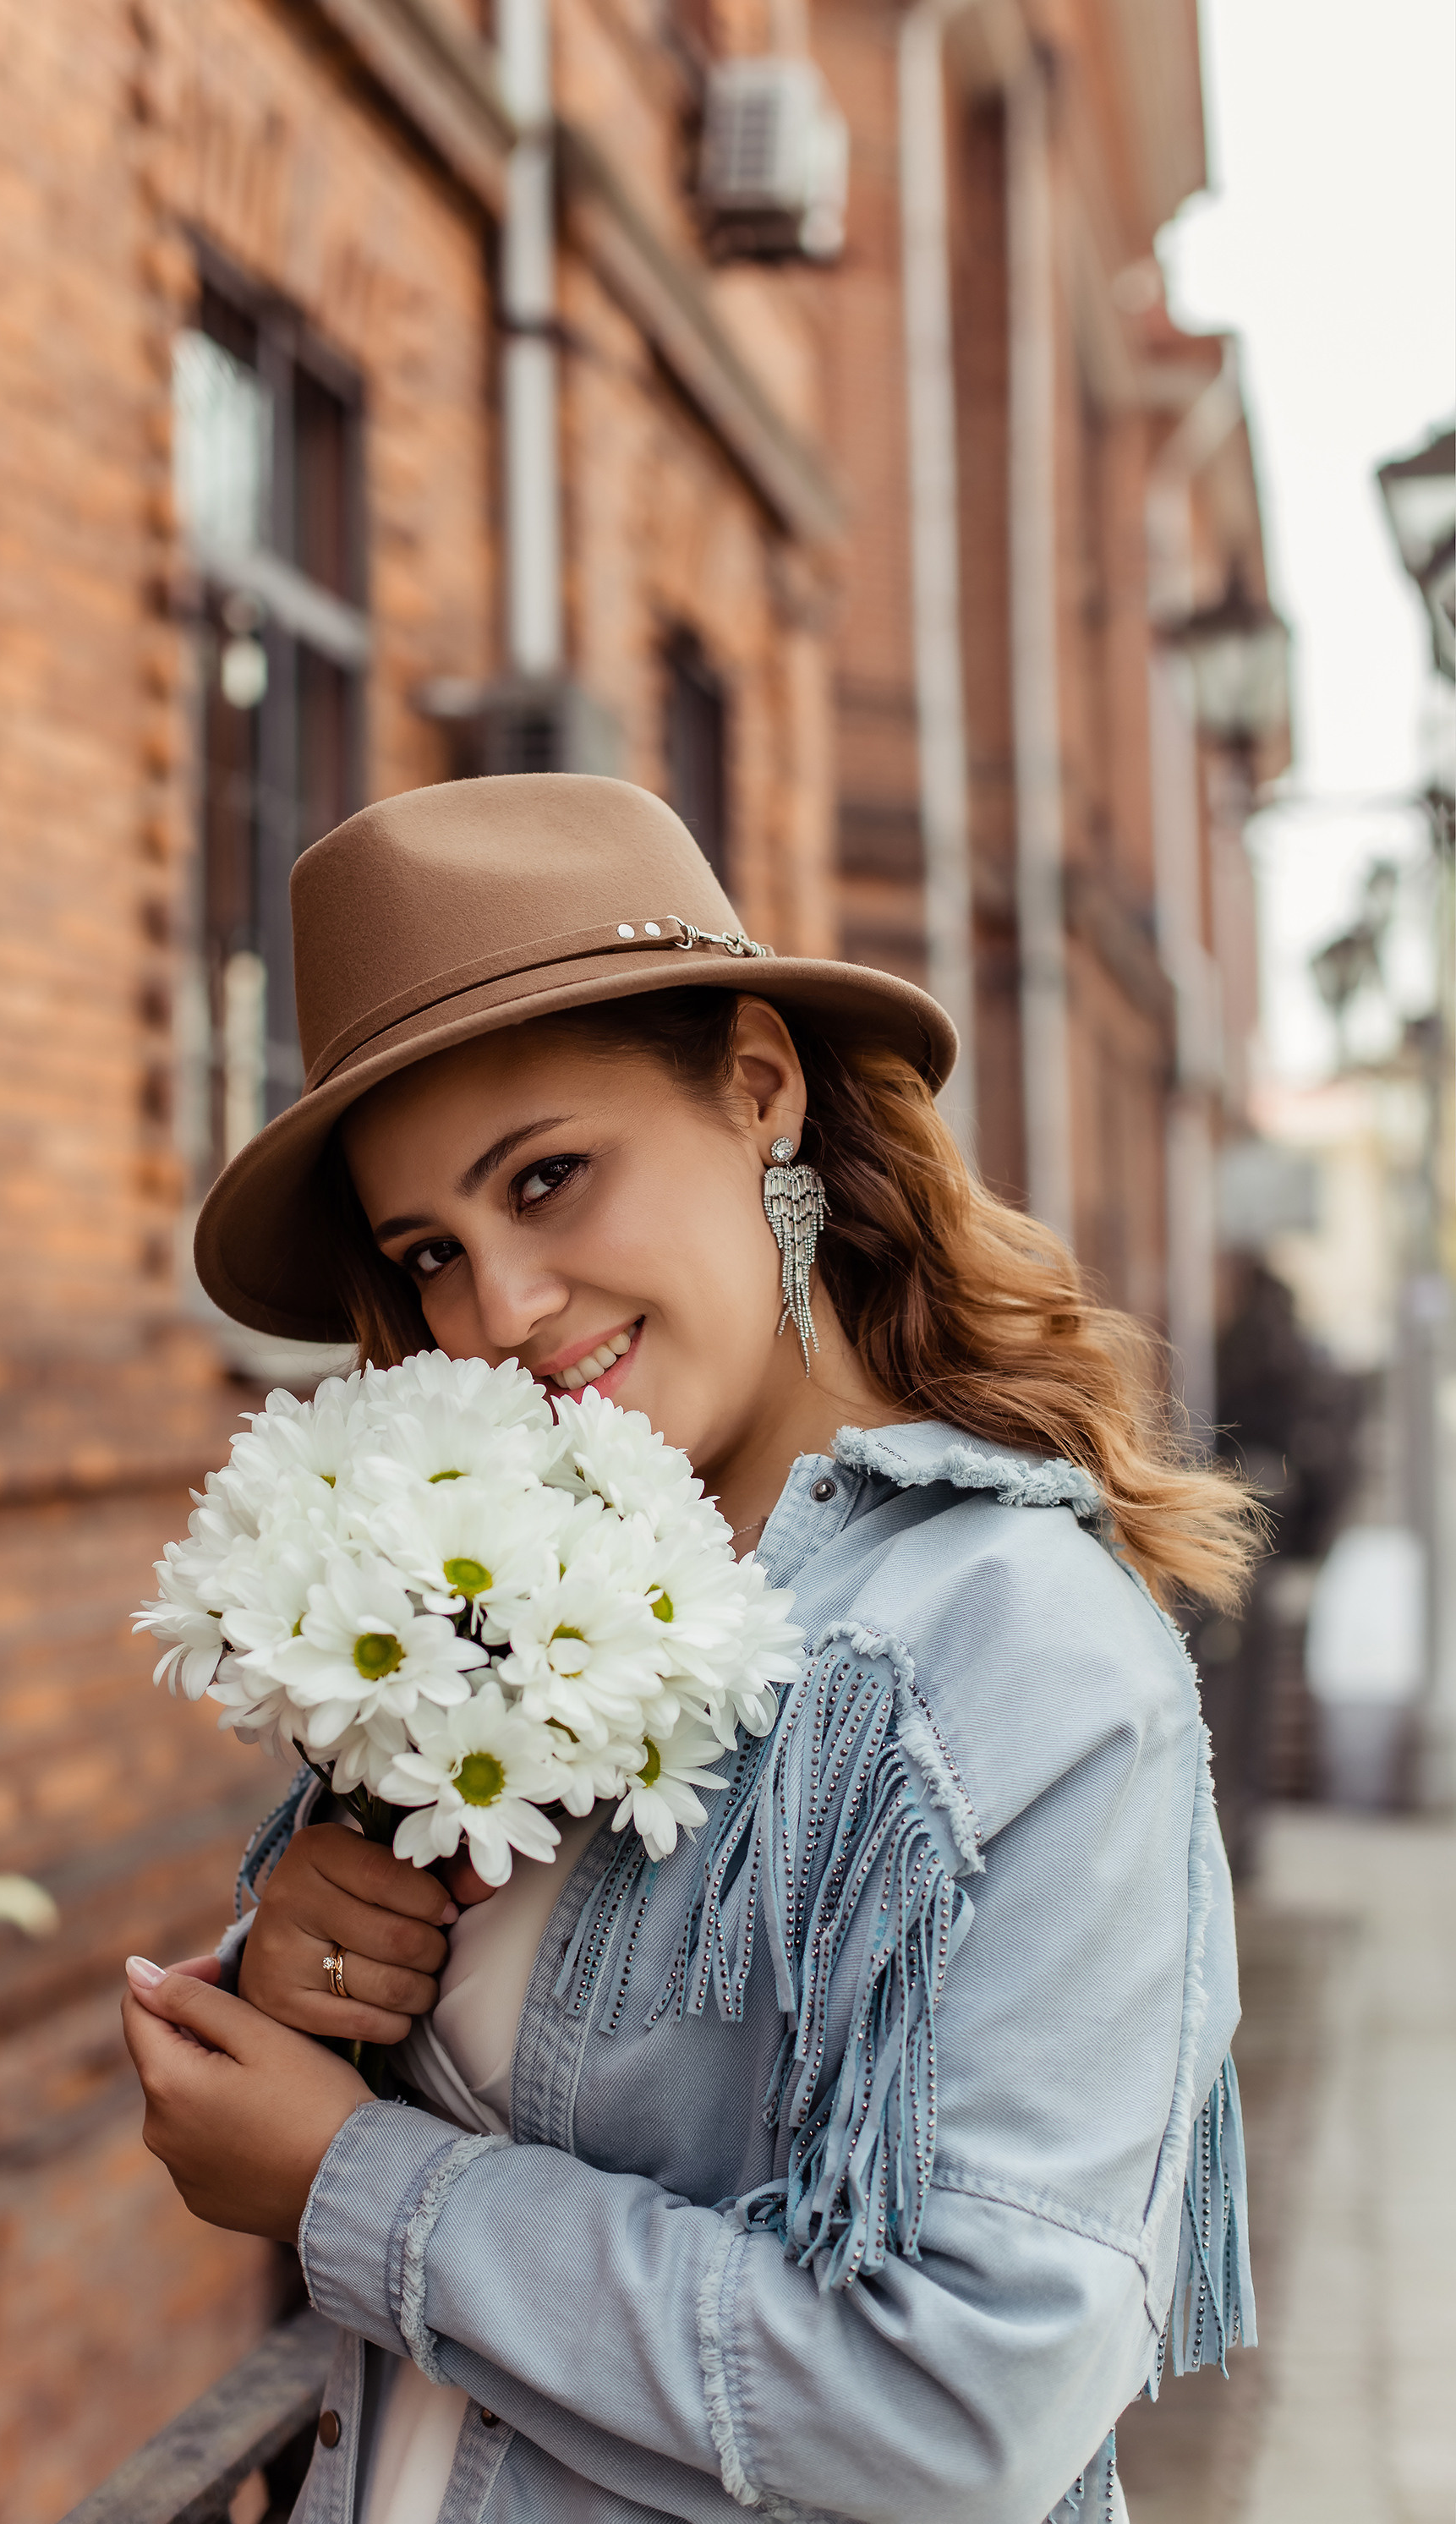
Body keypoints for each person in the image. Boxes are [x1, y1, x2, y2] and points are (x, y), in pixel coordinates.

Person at [121, 775, 1259, 2524]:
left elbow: (963, 2404)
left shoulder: (1006, 1655)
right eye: (433, 1248)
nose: (497, 1306)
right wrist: (311, 1978)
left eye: (548, 1177)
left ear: (757, 1086)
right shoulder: (506, 1571)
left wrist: (352, 2177)